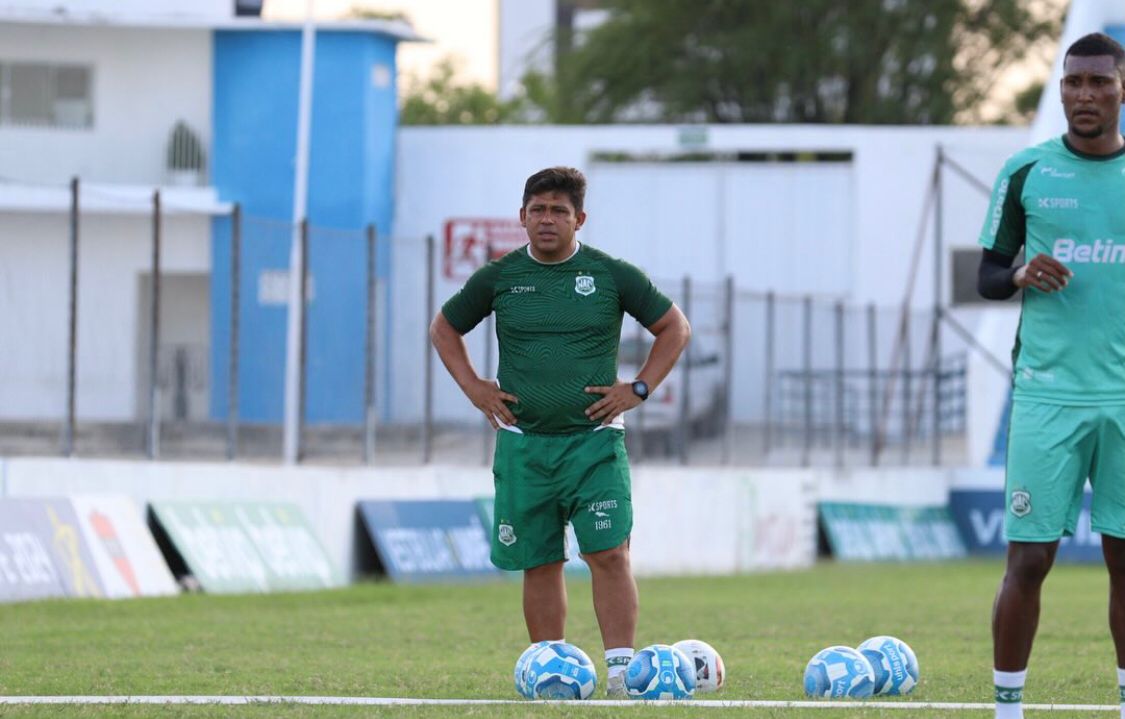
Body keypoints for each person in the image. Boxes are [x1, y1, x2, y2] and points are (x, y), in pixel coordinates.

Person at [430, 166, 691, 697]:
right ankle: (548, 670)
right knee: (540, 562)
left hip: (595, 445)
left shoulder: (611, 275)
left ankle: (621, 674)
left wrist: (637, 389)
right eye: (538, 210)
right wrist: (475, 387)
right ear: (522, 217)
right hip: (525, 447)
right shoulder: (499, 276)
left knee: (609, 553)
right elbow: (444, 328)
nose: (548, 219)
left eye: (559, 211)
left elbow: (674, 328)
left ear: (580, 219)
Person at [977, 32, 1125, 719]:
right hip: (1045, 396)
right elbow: (982, 276)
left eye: (1098, 82)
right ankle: (1008, 710)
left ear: (1120, 88)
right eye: (1072, 83)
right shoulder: (1025, 171)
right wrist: (1017, 272)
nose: (1083, 95)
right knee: (1028, 562)